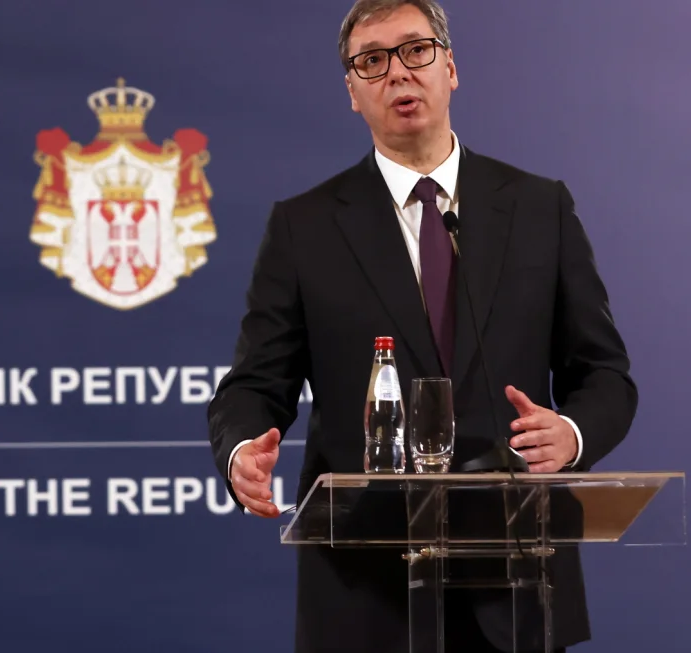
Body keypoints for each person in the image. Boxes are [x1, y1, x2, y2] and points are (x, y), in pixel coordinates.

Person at [206, 1, 638, 651]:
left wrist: (569, 434)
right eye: (370, 62)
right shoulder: (304, 227)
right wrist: (242, 448)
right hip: (363, 589)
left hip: (514, 582)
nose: (397, 74)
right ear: (351, 92)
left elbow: (602, 372)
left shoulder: (538, 207)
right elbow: (253, 383)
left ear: (450, 67)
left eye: (415, 50)